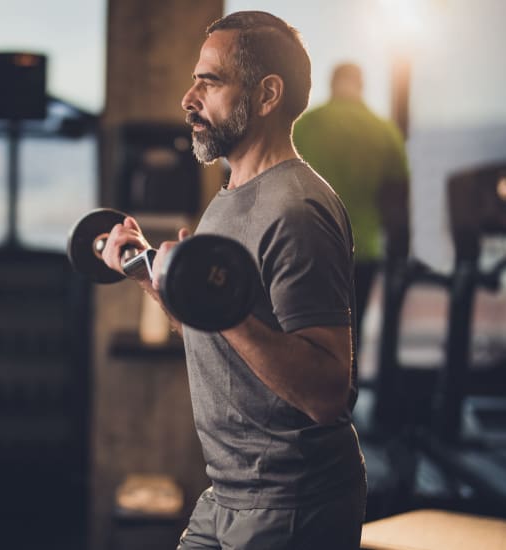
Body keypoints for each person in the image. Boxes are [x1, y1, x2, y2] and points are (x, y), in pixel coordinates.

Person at [102, 11, 366, 550]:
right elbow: (213, 329)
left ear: (267, 94)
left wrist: (215, 304)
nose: (188, 97)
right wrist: (150, 274)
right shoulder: (228, 198)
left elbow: (327, 391)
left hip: (292, 501)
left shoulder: (297, 209)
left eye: (211, 80)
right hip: (228, 492)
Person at [293, 63, 409, 348]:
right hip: (361, 255)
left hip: (305, 251)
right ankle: (342, 391)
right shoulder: (385, 131)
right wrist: (400, 258)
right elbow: (396, 206)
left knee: (299, 340)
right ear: (361, 85)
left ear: (332, 84)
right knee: (348, 342)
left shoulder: (304, 126)